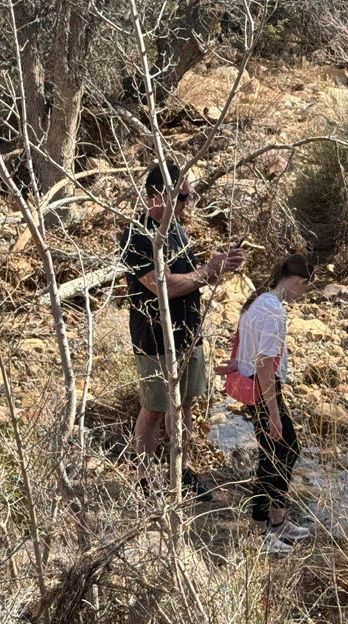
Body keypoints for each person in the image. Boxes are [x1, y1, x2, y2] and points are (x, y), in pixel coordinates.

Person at [120, 162, 243, 493]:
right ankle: (145, 478)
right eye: (183, 196)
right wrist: (208, 270)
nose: (188, 203)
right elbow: (162, 286)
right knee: (155, 408)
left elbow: (190, 280)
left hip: (189, 334)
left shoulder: (176, 229)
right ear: (159, 195)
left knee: (186, 402)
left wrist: (219, 268)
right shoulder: (137, 234)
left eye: (187, 197)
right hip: (156, 338)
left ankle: (181, 471)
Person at [234, 254, 312, 553]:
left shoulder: (258, 301)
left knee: (283, 451)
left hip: (254, 383)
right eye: (304, 288)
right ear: (299, 281)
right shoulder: (273, 310)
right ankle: (258, 532)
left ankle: (277, 521)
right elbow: (265, 363)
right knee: (278, 454)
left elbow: (244, 345)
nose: (301, 294)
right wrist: (274, 414)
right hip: (264, 386)